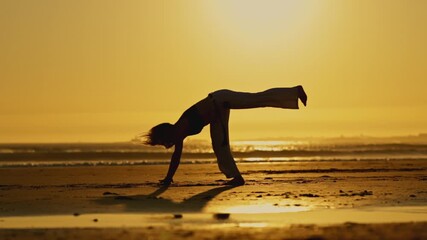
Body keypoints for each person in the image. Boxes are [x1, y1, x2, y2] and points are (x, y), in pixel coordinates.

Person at [144, 86, 307, 186]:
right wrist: (168, 178)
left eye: (161, 142)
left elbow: (176, 156)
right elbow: (176, 155)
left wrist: (168, 178)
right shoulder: (179, 128)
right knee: (219, 145)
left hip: (220, 100)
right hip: (217, 110)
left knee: (256, 99)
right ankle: (236, 177)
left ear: (166, 134)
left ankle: (294, 92)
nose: (165, 145)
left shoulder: (180, 128)